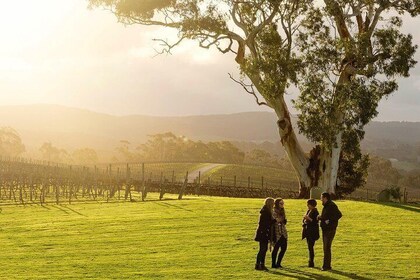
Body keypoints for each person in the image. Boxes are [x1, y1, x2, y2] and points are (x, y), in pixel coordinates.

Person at [317, 192, 342, 271]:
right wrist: (321, 218)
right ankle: (326, 265)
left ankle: (326, 266)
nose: (321, 199)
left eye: (321, 198)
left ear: (325, 198)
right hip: (325, 229)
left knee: (327, 248)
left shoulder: (331, 205)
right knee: (326, 248)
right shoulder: (327, 206)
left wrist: (330, 221)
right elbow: (326, 216)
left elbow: (339, 215)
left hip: (329, 229)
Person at [254, 197, 275, 271]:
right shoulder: (266, 212)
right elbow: (266, 223)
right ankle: (258, 264)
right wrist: (274, 221)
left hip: (263, 232)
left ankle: (261, 264)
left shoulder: (265, 211)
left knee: (263, 249)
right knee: (262, 249)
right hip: (263, 233)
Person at [302, 199, 320, 268]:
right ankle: (310, 261)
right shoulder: (309, 211)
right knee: (310, 247)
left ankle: (311, 262)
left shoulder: (315, 212)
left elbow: (315, 222)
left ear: (311, 205)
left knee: (311, 247)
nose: (307, 206)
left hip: (312, 232)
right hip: (308, 231)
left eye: (308, 204)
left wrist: (308, 218)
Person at [271, 198, 288, 268]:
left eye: (283, 203)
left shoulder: (282, 211)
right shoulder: (274, 211)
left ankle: (278, 263)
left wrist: (282, 220)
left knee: (284, 248)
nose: (282, 205)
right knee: (276, 248)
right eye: (281, 203)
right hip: (276, 231)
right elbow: (275, 220)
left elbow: (283, 220)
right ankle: (273, 264)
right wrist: (279, 220)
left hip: (283, 231)